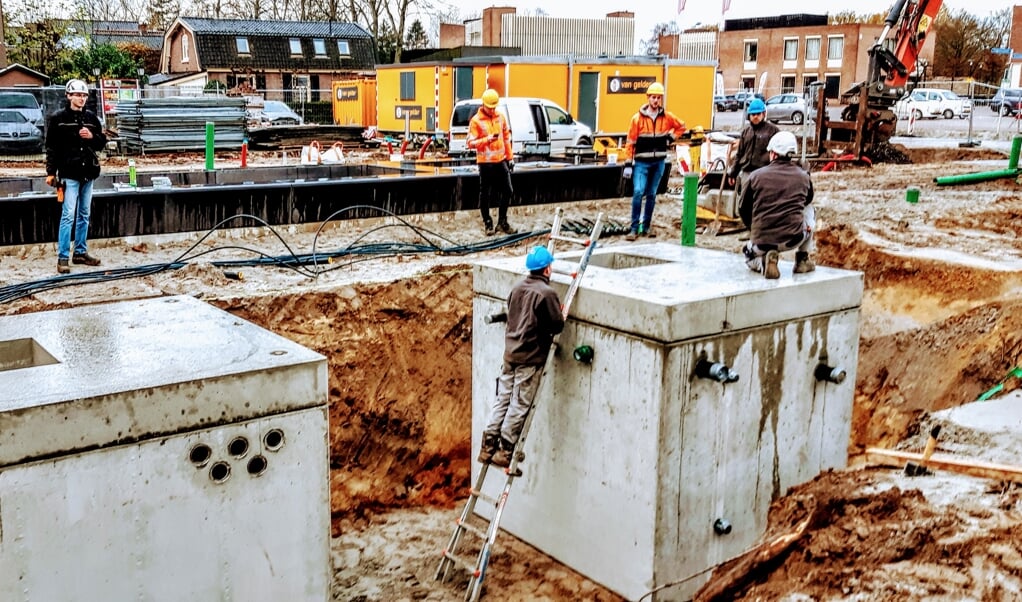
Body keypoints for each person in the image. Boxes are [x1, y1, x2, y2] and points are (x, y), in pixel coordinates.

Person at [479, 246, 565, 468]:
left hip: (510, 354)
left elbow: (512, 312)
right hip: (530, 357)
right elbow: (556, 326)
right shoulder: (547, 294)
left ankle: (487, 447)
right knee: (519, 403)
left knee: (502, 399)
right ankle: (504, 451)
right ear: (547, 270)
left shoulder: (516, 288)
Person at [46, 79, 107, 274]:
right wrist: (50, 172)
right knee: (68, 215)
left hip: (87, 173)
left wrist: (92, 136)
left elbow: (100, 143)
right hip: (69, 173)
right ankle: (63, 257)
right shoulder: (58, 119)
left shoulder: (92, 119)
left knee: (84, 214)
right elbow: (52, 147)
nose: (81, 98)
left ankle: (80, 251)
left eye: (84, 95)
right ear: (69, 96)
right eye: (77, 95)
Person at [738, 131, 816, 279]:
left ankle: (763, 263)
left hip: (761, 243)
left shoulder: (756, 176)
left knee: (748, 257)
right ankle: (802, 259)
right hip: (793, 239)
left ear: (773, 153)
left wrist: (753, 229)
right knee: (810, 209)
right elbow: (808, 199)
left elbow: (743, 209)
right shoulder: (803, 177)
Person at [621, 82, 686, 241]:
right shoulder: (637, 120)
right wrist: (628, 163)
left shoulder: (667, 117)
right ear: (648, 98)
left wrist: (671, 137)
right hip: (642, 162)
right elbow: (630, 142)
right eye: (653, 97)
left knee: (651, 194)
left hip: (659, 162)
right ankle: (634, 228)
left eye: (658, 97)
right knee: (638, 192)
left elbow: (682, 126)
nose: (656, 100)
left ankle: (647, 227)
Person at [467, 88, 516, 236]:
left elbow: (506, 138)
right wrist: (486, 140)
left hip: (500, 161)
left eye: (494, 106)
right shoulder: (476, 121)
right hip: (485, 163)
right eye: (490, 106)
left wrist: (510, 157)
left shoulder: (500, 117)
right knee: (485, 194)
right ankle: (488, 223)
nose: (492, 109)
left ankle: (502, 222)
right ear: (483, 104)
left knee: (508, 190)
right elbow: (470, 143)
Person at [727, 97, 779, 200]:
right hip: (746, 174)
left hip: (764, 174)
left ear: (763, 114)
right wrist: (733, 173)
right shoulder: (746, 132)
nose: (755, 117)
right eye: (753, 114)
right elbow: (739, 154)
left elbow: (779, 154)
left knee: (761, 202)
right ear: (749, 116)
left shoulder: (773, 131)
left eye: (758, 114)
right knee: (745, 203)